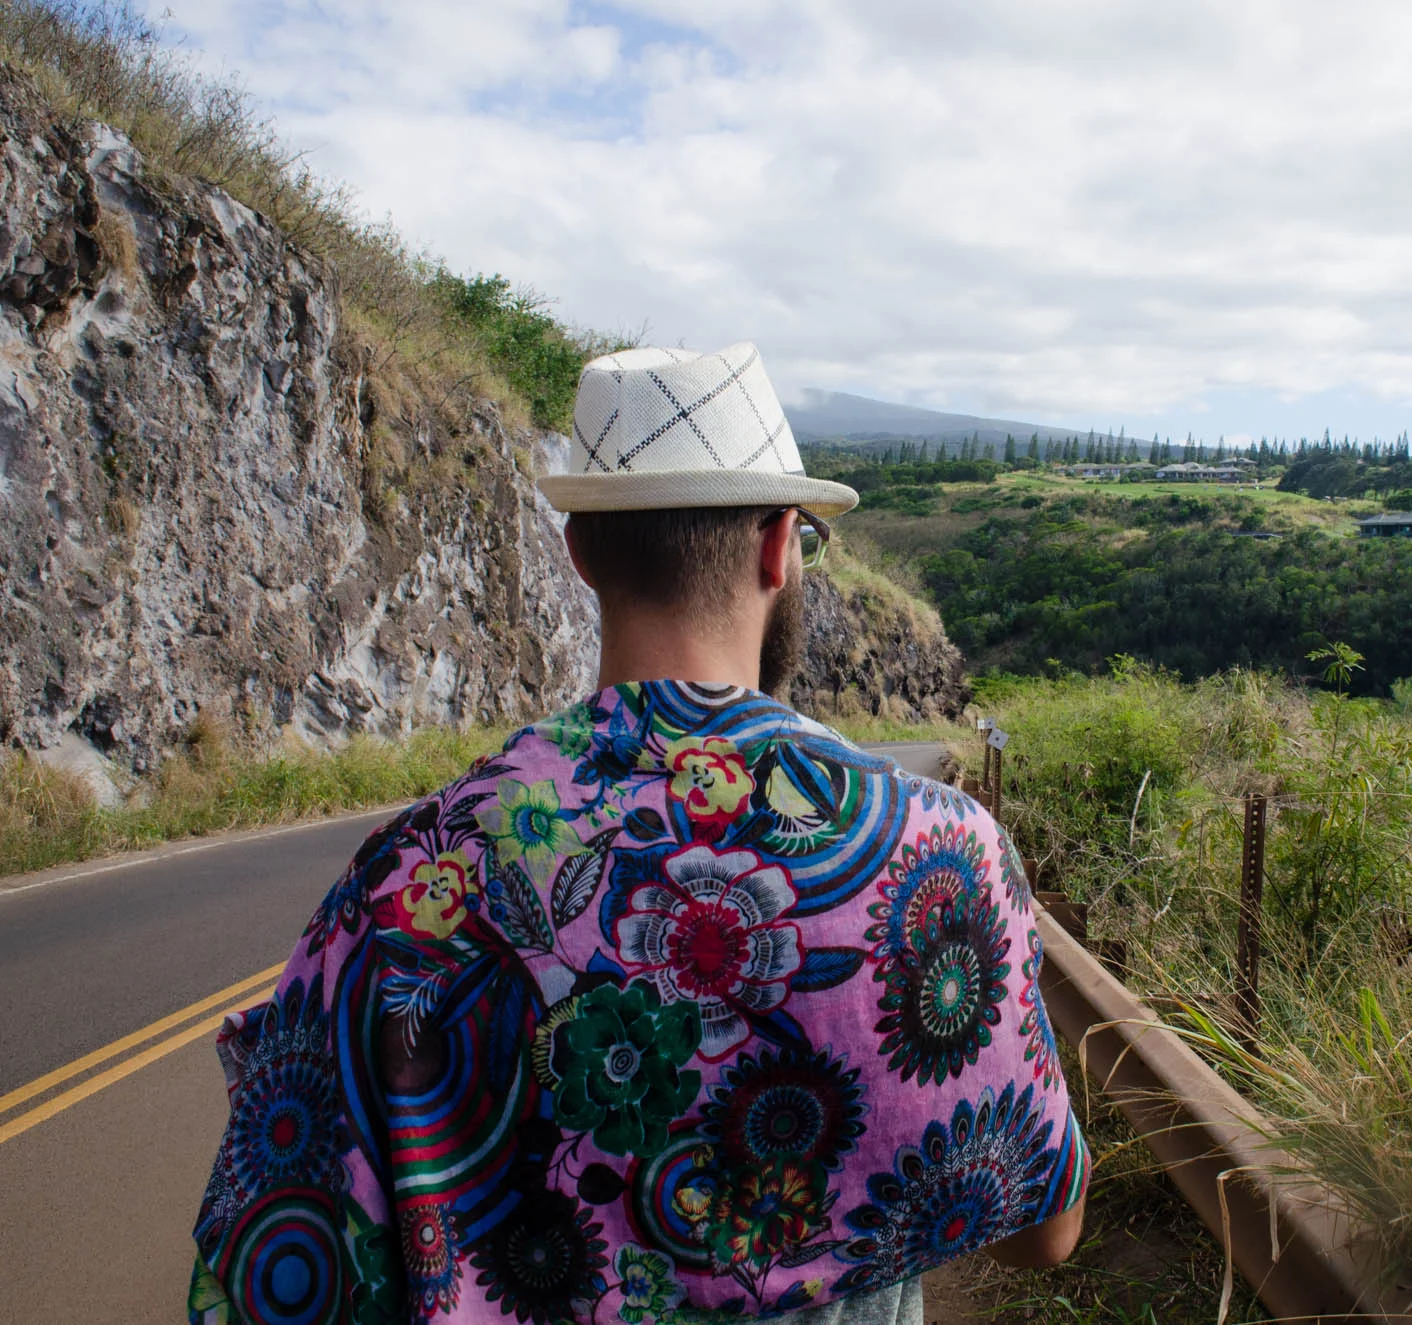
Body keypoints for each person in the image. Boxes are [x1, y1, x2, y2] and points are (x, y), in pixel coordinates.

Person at [189, 344, 1088, 1324]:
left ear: (578, 549)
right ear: (780, 544)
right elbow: (1045, 1225)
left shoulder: (415, 878)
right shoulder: (939, 848)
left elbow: (275, 1273)